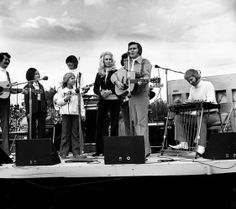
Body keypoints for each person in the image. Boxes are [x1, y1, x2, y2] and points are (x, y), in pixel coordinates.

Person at [169, 69, 220, 156]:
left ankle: (201, 146)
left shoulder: (207, 85)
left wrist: (198, 103)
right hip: (198, 116)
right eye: (188, 80)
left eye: (191, 79)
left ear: (196, 76)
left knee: (200, 116)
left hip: (212, 115)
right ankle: (183, 143)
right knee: (178, 117)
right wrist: (182, 103)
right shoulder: (192, 89)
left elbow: (211, 101)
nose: (190, 82)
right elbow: (190, 103)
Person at [93, 51, 121, 156]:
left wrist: (110, 91)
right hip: (103, 100)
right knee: (100, 125)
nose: (108, 61)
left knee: (114, 124)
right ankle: (100, 150)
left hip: (115, 100)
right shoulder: (99, 74)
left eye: (110, 59)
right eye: (106, 59)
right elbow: (95, 88)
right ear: (103, 61)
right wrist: (101, 93)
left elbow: (120, 86)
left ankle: (114, 149)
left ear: (112, 60)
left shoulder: (117, 72)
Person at [55, 72, 86, 159]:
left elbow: (81, 102)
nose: (74, 80)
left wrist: (83, 113)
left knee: (75, 134)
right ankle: (63, 152)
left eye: (74, 78)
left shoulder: (77, 90)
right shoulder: (61, 90)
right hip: (65, 114)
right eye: (71, 78)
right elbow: (58, 102)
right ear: (66, 80)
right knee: (65, 133)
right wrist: (65, 99)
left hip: (75, 113)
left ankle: (76, 152)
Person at [22, 68, 47, 139]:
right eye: (36, 74)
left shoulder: (41, 86)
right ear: (31, 75)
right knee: (32, 128)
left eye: (38, 73)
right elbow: (26, 100)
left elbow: (44, 98)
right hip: (32, 108)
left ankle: (41, 145)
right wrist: (27, 112)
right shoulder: (27, 86)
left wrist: (45, 108)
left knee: (42, 128)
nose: (38, 75)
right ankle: (31, 145)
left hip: (41, 108)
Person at [0, 52, 11, 155]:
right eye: (6, 59)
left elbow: (7, 88)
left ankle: (6, 152)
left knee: (5, 126)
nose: (7, 61)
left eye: (9, 60)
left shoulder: (7, 73)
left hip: (5, 100)